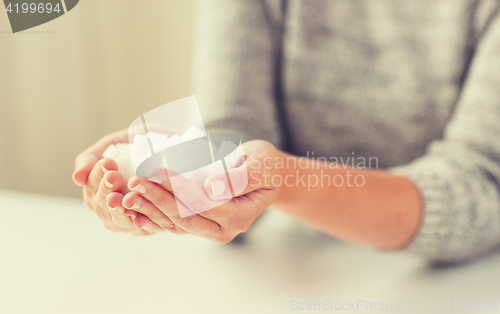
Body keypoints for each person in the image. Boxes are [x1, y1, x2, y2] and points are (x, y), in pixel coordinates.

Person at [73, 0, 500, 263]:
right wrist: (189, 175)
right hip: (288, 262)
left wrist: (285, 180)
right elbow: (234, 125)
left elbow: (481, 187)